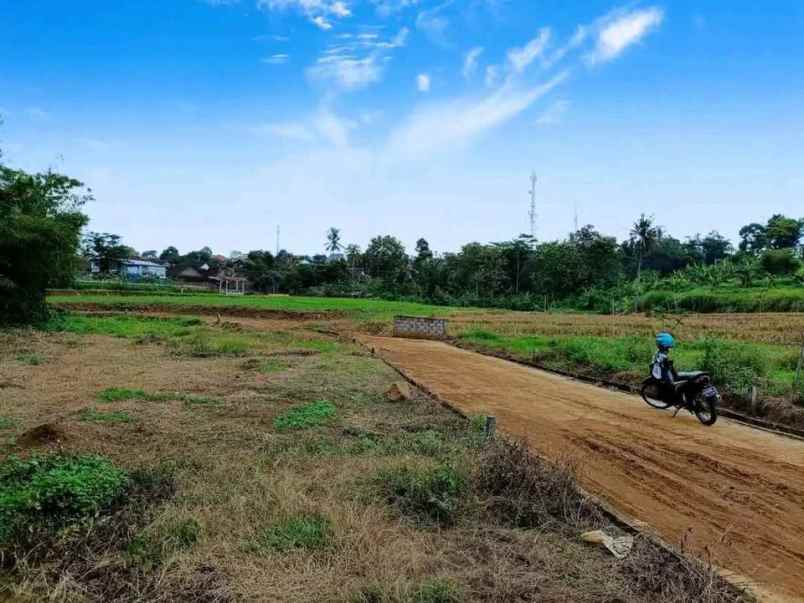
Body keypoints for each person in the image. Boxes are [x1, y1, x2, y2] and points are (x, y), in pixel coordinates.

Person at [651, 331, 678, 400]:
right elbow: (665, 364)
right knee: (671, 383)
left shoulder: (659, 352)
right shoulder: (662, 355)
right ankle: (671, 397)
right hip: (660, 371)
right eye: (668, 346)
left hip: (659, 369)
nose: (669, 348)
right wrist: (669, 364)